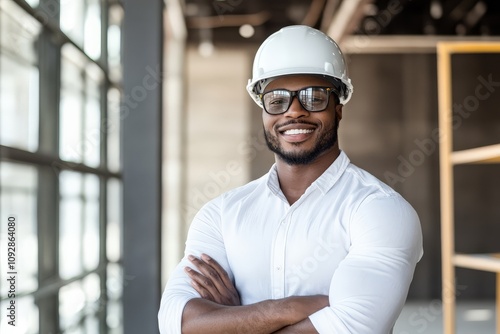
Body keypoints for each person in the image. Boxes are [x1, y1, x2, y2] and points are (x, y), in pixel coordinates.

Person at [158, 25, 423, 334]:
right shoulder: (220, 215)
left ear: (338, 109)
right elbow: (176, 322)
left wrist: (235, 318)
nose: (294, 111)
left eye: (314, 97)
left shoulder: (380, 211)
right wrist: (284, 309)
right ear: (264, 111)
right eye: (277, 99)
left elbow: (353, 328)